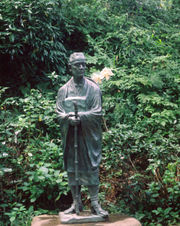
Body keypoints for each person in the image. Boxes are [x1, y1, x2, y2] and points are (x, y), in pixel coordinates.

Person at [56, 52, 108, 217]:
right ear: (70, 67)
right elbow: (58, 112)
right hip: (72, 137)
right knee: (72, 168)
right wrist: (68, 118)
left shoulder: (93, 88)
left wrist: (81, 117)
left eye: (84, 64)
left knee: (91, 168)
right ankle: (76, 201)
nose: (81, 67)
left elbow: (97, 112)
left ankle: (94, 203)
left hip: (87, 137)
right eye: (78, 65)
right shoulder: (63, 90)